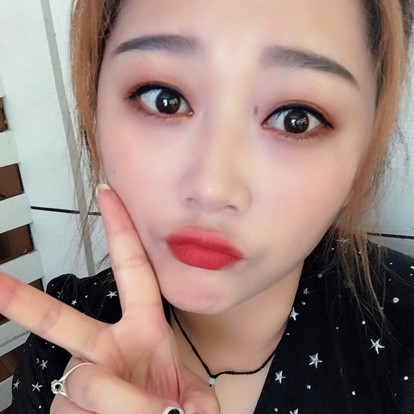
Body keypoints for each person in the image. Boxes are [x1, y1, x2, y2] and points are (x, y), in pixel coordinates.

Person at [1, 0, 414, 412]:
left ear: (364, 154)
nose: (212, 189)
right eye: (164, 99)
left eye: (296, 119)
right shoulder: (62, 348)